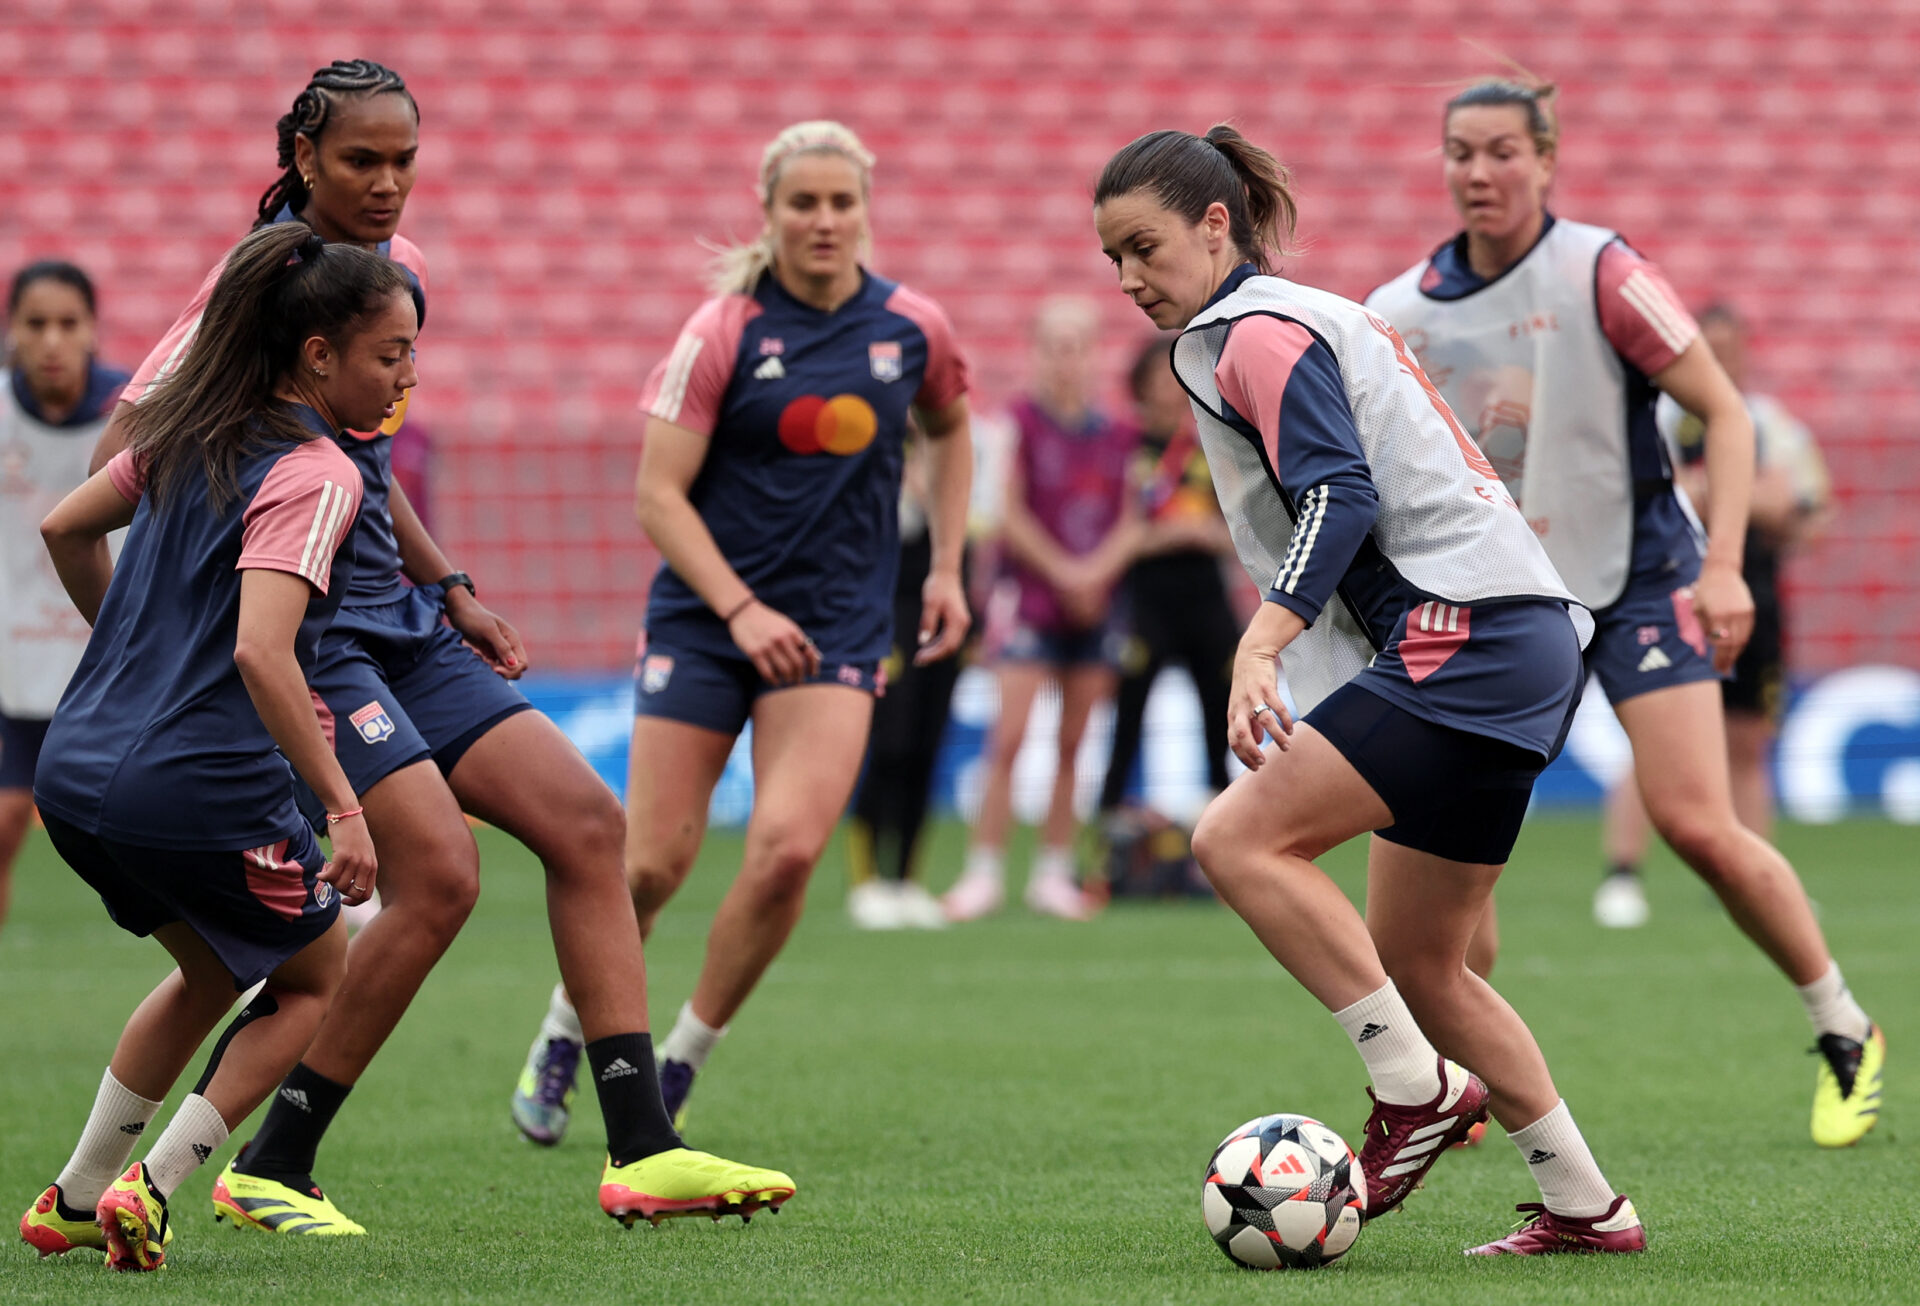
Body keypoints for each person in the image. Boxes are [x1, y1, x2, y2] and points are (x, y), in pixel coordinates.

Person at [93, 60, 792, 1233]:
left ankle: (640, 1146)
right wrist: (183, 621)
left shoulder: (396, 274)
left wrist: (448, 581)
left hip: (403, 623)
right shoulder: (253, 289)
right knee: (441, 878)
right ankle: (249, 1160)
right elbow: (132, 447)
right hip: (321, 640)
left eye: (403, 160)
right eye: (360, 160)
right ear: (304, 157)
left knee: (586, 823)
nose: (385, 183)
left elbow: (361, 458)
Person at [1095, 124, 1646, 1256]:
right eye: (1111, 257)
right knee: (1424, 965)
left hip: (1470, 632)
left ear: (1215, 224)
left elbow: (1338, 497)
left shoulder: (1250, 329)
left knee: (1237, 841)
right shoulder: (1298, 318)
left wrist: (1260, 646)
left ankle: (1417, 1089)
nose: (1128, 278)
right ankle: (1590, 1205)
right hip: (1515, 636)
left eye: (1143, 246)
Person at [1366, 78, 1881, 1148]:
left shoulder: (1605, 269)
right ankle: (1458, 1088)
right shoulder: (1398, 314)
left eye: (1503, 150)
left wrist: (1726, 564)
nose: (1479, 171)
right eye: (1461, 151)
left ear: (1546, 159)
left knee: (1697, 822)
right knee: (1458, 875)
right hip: (1508, 610)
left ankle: (1844, 1026)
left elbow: (1726, 416)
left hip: (1640, 580)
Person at [509, 121, 972, 1141]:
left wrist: (943, 567)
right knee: (650, 866)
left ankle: (679, 1060)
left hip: (837, 631)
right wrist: (741, 609)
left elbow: (949, 424)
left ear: (866, 210)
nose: (822, 220)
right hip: (710, 622)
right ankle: (562, 1026)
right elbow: (657, 497)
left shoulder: (913, 329)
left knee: (785, 855)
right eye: (801, 203)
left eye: (840, 202)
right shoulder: (723, 330)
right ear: (768, 213)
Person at [17, 224, 389, 1270]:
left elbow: (61, 527)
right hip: (193, 781)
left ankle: (76, 1198)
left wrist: (127, 656)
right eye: (392, 352)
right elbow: (265, 657)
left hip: (77, 773)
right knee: (317, 971)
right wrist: (344, 807)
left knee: (208, 968)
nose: (407, 375)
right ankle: (153, 1186)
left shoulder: (191, 429)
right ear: (319, 354)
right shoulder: (320, 474)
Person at [1595, 303, 1832, 928]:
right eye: (1712, 345)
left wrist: (1714, 493)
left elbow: (1796, 508)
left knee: (1749, 742)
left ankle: (1755, 881)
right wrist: (1744, 495)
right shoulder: (1661, 413)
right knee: (1653, 735)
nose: (1722, 358)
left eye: (1731, 347)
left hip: (1754, 593)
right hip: (1664, 592)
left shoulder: (1770, 422)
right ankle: (1622, 875)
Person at [942, 298, 1139, 923]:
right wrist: (1065, 571)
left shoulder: (1119, 434)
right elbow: (1010, 512)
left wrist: (1096, 571)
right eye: (1053, 345)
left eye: (1076, 345)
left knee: (1074, 743)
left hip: (1097, 603)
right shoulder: (1018, 423)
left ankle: (1053, 871)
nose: (1065, 359)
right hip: (1030, 601)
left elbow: (1135, 517)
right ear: (1036, 353)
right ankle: (984, 871)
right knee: (1010, 737)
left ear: (1093, 354)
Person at [0, 262, 131, 935]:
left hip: (112, 663)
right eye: (36, 324)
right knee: (3, 827)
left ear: (92, 332)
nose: (52, 340)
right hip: (12, 662)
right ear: (11, 332)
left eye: (68, 324)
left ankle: (236, 964)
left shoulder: (135, 415)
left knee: (150, 840)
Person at [1095, 336, 1238, 830]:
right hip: (1145, 598)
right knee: (1129, 712)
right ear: (1139, 385)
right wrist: (1163, 536)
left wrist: (1205, 534)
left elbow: (1241, 533)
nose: (1166, 388)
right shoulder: (1122, 449)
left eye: (1174, 377)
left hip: (1205, 595)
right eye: (1157, 378)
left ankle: (1227, 822)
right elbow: (1113, 534)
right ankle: (1109, 827)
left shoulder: (1213, 444)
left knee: (1219, 711)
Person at [845, 431, 972, 930]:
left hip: (940, 613)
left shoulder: (957, 447)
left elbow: (973, 533)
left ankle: (906, 880)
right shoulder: (874, 446)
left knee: (926, 747)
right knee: (890, 744)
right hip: (886, 614)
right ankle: (867, 881)